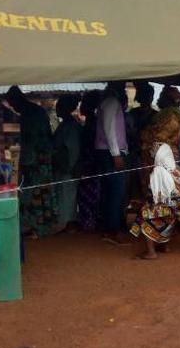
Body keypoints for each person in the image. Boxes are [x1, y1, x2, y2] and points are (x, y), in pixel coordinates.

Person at [130, 143, 180, 259]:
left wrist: (142, 205)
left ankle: (151, 253)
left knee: (145, 213)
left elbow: (155, 198)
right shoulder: (175, 169)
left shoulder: (159, 172)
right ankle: (165, 246)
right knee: (168, 211)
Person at [7, 86, 59, 238]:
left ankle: (34, 228)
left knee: (32, 194)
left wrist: (25, 163)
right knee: (44, 193)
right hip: (44, 159)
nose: (12, 107)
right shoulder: (37, 111)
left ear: (16, 100)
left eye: (12, 104)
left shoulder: (28, 114)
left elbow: (30, 140)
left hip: (34, 162)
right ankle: (44, 226)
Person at [95, 81, 129, 244]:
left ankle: (111, 226)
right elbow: (110, 130)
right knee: (116, 192)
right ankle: (113, 230)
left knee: (111, 192)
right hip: (110, 152)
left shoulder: (108, 101)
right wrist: (116, 154)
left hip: (109, 151)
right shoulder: (111, 102)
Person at [52, 94, 83, 231]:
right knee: (65, 194)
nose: (57, 109)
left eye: (59, 106)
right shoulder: (66, 124)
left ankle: (70, 222)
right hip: (64, 166)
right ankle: (67, 222)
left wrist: (71, 166)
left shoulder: (71, 126)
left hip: (68, 166)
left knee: (68, 195)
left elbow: (73, 149)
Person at [76, 90, 103, 232]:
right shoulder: (93, 121)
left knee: (89, 194)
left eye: (83, 104)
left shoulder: (92, 123)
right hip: (93, 162)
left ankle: (90, 222)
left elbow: (89, 145)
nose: (81, 107)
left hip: (90, 163)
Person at [143, 87, 180, 166]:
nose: (158, 100)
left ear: (168, 100)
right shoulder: (168, 114)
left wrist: (145, 135)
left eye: (161, 97)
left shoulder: (171, 116)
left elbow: (160, 136)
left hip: (164, 156)